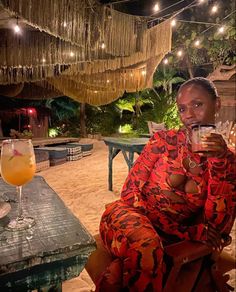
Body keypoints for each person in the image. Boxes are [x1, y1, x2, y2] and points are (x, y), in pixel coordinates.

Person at [97, 77, 236, 292]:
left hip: (166, 235)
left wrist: (219, 160)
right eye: (182, 109)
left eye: (197, 104)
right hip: (129, 214)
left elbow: (216, 226)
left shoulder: (228, 161)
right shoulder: (163, 141)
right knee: (147, 249)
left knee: (124, 269)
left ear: (217, 104)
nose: (188, 114)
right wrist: (183, 231)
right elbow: (129, 192)